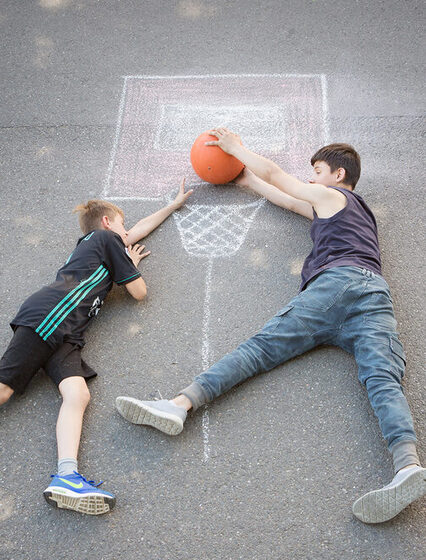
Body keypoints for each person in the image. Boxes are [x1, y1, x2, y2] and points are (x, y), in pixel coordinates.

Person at [115, 128, 425, 524]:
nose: (311, 179)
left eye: (317, 171)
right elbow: (288, 199)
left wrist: (236, 149)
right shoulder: (347, 212)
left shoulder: (334, 196)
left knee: (259, 350)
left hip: (336, 288)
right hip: (373, 295)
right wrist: (247, 180)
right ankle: (407, 466)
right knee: (383, 377)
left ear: (339, 175)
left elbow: (282, 179)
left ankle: (179, 405)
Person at [0, 179, 192, 515]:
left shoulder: (100, 243)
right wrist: (130, 266)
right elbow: (139, 292)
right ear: (107, 224)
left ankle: (66, 476)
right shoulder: (105, 239)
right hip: (50, 317)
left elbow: (137, 233)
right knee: (4, 389)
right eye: (121, 222)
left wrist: (173, 206)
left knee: (78, 395)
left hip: (67, 333)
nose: (127, 230)